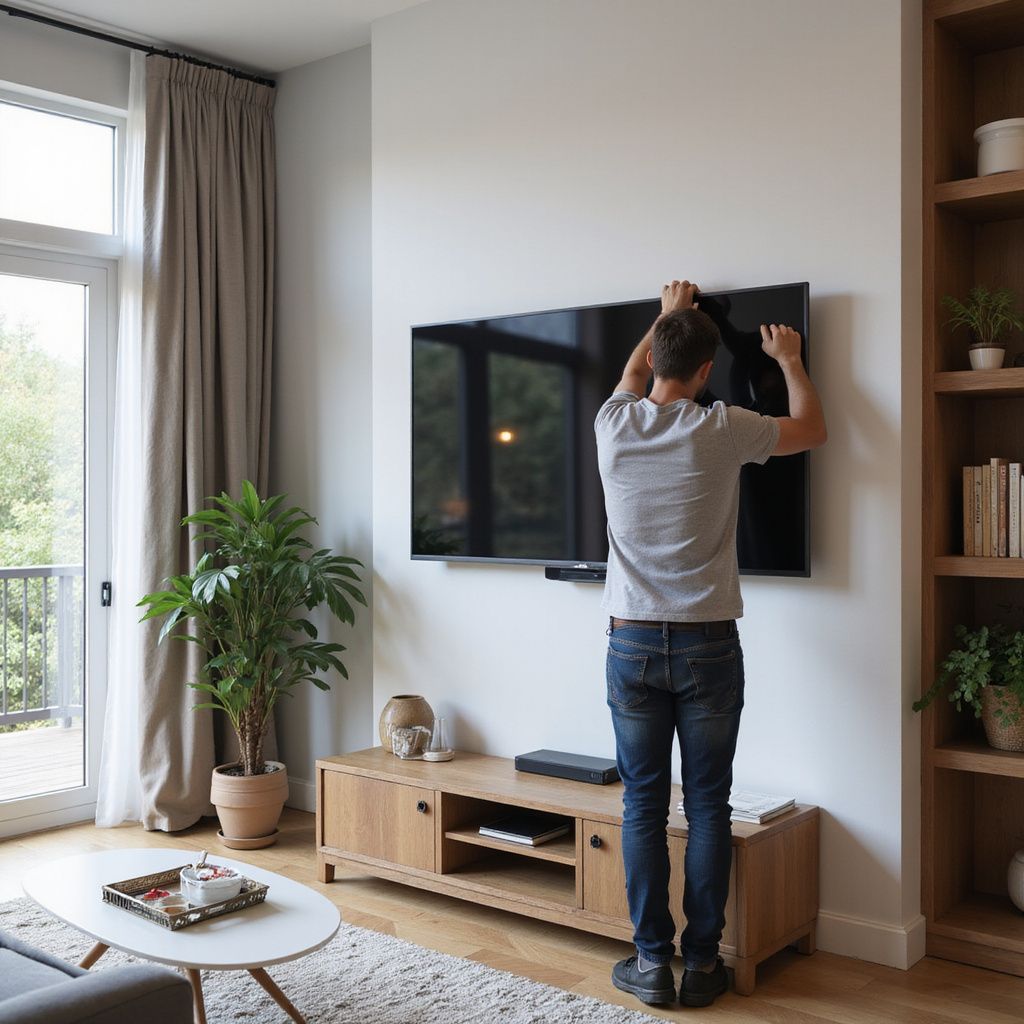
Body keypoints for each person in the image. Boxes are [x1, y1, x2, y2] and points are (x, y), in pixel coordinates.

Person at [594, 279, 826, 1008]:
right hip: (707, 648)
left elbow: (635, 376)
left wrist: (666, 318)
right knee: (709, 804)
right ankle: (702, 966)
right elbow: (812, 431)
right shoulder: (722, 426)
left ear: (658, 359)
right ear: (703, 375)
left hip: (630, 644)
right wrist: (788, 360)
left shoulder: (613, 423)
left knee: (641, 804)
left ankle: (649, 965)